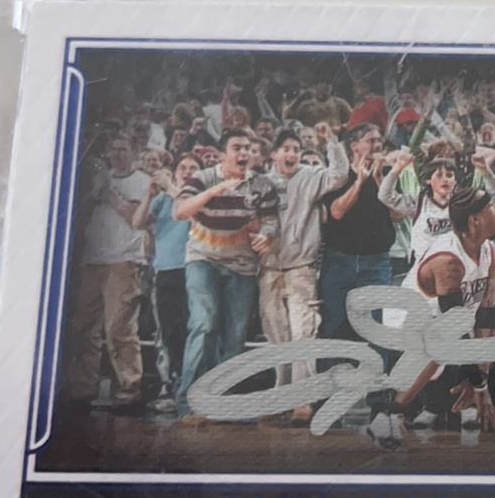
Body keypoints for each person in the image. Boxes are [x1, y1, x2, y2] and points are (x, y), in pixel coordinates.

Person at [366, 187, 495, 446]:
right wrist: (479, 385)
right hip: (409, 322)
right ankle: (389, 415)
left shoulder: (489, 250)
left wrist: (479, 377)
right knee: (442, 344)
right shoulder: (448, 260)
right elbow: (454, 326)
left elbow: (486, 315)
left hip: (459, 317)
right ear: (475, 220)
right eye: (491, 208)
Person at [173, 128, 279, 422]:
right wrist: (214, 191)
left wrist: (266, 235)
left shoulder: (262, 185)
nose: (244, 153)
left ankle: (218, 400)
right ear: (222, 155)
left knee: (235, 336)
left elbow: (271, 221)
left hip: (242, 265)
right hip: (203, 260)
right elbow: (179, 211)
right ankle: (188, 402)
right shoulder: (202, 178)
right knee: (204, 323)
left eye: (247, 148)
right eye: (237, 148)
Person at [259, 124, 349, 422]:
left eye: (296, 150)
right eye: (286, 149)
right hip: (269, 269)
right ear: (274, 154)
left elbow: (340, 174)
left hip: (300, 268)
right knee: (278, 337)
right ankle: (280, 395)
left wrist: (332, 141)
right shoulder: (259, 182)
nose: (292, 154)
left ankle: (303, 400)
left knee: (303, 333)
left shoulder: (310, 176)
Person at [63, 133, 151, 415]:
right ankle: (82, 387)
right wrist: (94, 191)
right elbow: (80, 217)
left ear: (133, 152)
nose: (118, 155)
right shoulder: (98, 181)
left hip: (123, 261)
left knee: (119, 328)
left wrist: (109, 192)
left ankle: (129, 388)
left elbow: (135, 218)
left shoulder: (142, 181)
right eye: (113, 149)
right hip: (93, 259)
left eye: (123, 149)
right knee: (83, 327)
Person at [131, 152, 202, 412]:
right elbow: (137, 223)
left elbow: (192, 214)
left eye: (193, 168)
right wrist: (149, 194)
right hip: (165, 270)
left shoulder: (200, 199)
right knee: (169, 331)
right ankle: (173, 384)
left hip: (193, 269)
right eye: (183, 167)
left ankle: (193, 386)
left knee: (192, 328)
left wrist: (172, 187)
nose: (187, 171)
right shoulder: (162, 200)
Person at [319, 123, 394, 341]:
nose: (377, 145)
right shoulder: (338, 176)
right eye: (371, 141)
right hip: (340, 261)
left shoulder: (388, 174)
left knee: (375, 329)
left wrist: (380, 181)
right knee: (336, 328)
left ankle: (376, 366)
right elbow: (336, 212)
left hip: (376, 262)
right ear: (354, 146)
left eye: (379, 140)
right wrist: (359, 182)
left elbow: (398, 215)